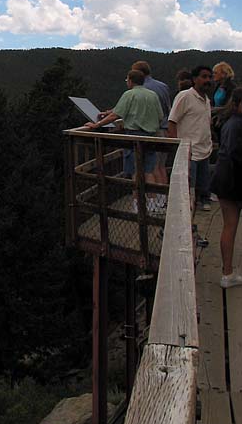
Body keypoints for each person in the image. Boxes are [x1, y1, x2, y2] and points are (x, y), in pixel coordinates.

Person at [82, 69, 163, 179]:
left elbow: (115, 115)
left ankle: (136, 197)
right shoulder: (153, 95)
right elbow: (160, 116)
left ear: (130, 81)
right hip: (152, 137)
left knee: (136, 172)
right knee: (149, 171)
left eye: (127, 80)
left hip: (134, 136)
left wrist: (97, 124)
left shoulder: (129, 94)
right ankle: (153, 196)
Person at [168, 65, 214, 210]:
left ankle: (200, 203)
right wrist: (177, 146)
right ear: (194, 79)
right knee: (187, 188)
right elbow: (172, 121)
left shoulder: (206, 99)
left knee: (202, 185)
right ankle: (184, 212)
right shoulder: (185, 96)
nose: (208, 80)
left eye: (209, 77)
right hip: (189, 151)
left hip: (204, 149)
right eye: (204, 76)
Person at [212, 88, 242, 287]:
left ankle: (227, 273)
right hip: (235, 180)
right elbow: (235, 154)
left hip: (224, 179)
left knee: (229, 226)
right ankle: (228, 273)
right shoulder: (238, 125)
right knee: (230, 226)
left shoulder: (227, 122)